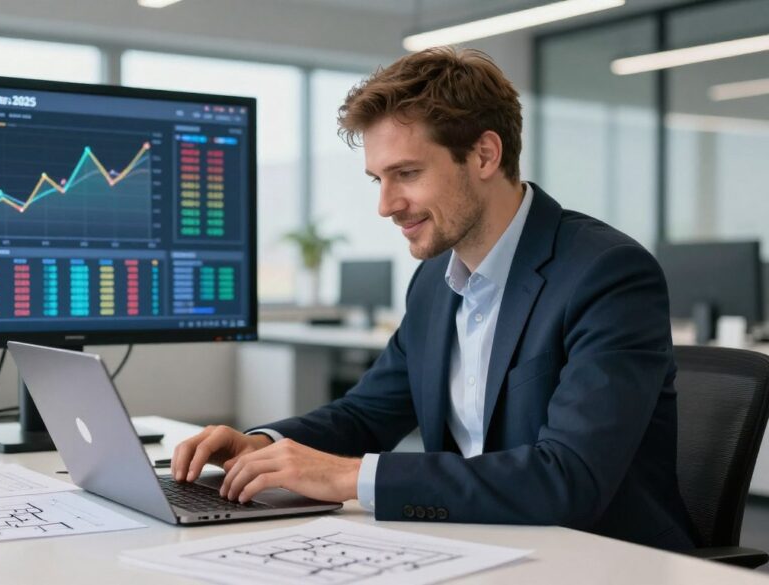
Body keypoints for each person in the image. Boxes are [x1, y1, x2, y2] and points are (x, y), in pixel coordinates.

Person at [170, 46, 694, 550]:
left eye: (407, 173)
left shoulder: (605, 274)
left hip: (600, 558)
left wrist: (353, 476)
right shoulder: (434, 282)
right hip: (476, 542)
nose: (385, 205)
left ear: (485, 154)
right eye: (378, 178)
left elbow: (568, 479)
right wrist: (262, 445)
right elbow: (366, 415)